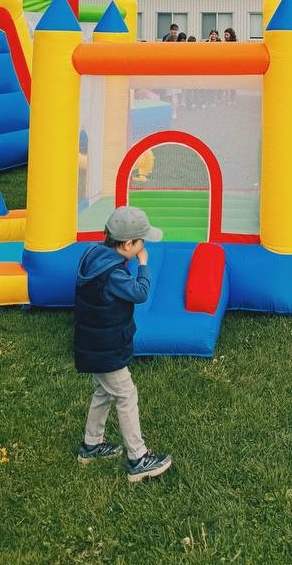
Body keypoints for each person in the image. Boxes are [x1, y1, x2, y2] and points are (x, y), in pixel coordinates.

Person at [74, 205, 172, 483]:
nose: (143, 247)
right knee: (126, 395)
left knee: (103, 392)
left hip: (94, 342)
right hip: (106, 347)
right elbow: (139, 293)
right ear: (128, 244)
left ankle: (91, 446)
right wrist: (143, 264)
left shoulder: (94, 255)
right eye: (141, 242)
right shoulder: (114, 275)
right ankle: (138, 458)